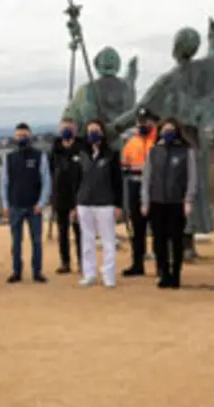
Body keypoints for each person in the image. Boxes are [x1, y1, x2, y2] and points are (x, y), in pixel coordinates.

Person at [140, 117, 197, 288]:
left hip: (176, 202)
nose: (168, 132)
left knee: (176, 240)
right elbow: (146, 178)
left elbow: (192, 178)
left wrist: (188, 199)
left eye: (171, 129)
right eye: (165, 129)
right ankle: (163, 272)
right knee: (159, 241)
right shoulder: (154, 151)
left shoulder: (186, 151)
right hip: (157, 202)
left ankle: (175, 274)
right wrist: (145, 202)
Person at [73, 120, 123, 288]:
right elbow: (76, 181)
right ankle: (89, 274)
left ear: (102, 132)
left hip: (105, 204)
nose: (93, 133)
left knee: (108, 241)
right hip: (84, 203)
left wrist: (118, 204)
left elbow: (118, 181)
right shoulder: (82, 154)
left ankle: (108, 275)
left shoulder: (112, 154)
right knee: (87, 240)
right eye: (90, 131)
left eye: (96, 130)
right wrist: (75, 203)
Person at [0, 122, 51, 283]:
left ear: (30, 136)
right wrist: (5, 205)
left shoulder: (39, 156)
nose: (22, 138)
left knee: (36, 241)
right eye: (19, 135)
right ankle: (16, 272)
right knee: (16, 242)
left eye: (25, 135)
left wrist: (41, 203)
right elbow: (4, 183)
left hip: (34, 207)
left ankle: (38, 272)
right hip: (15, 206)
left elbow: (46, 181)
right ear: (15, 137)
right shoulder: (9, 158)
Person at [121, 107, 159, 277]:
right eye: (140, 122)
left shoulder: (159, 141)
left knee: (158, 228)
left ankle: (161, 265)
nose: (142, 124)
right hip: (135, 187)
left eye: (146, 121)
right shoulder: (131, 143)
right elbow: (125, 165)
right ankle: (137, 264)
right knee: (137, 228)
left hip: (156, 188)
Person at [50, 118, 85, 274]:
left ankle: (82, 262)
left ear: (76, 130)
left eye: (70, 128)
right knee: (62, 231)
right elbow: (50, 172)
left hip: (79, 197)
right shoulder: (54, 150)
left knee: (80, 232)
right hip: (60, 197)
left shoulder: (82, 149)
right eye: (64, 128)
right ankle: (65, 262)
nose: (67, 131)